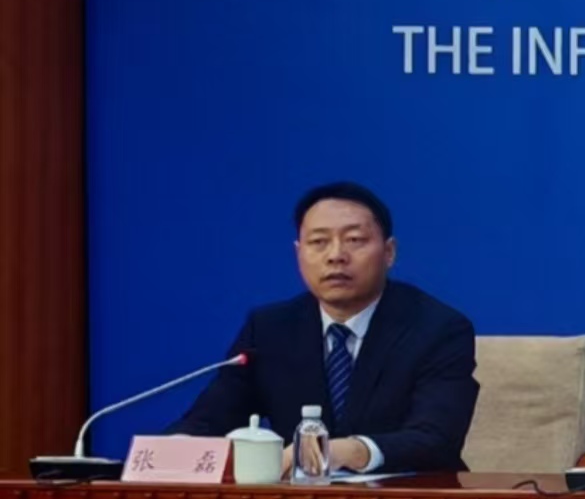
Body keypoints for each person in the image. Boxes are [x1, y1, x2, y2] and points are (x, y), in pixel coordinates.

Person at [169, 181, 479, 474]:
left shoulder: (438, 329)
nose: (335, 256)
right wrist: (174, 450)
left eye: (354, 240)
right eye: (318, 242)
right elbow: (209, 420)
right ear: (298, 253)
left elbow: (436, 438)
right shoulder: (269, 329)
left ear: (389, 252)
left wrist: (350, 451)